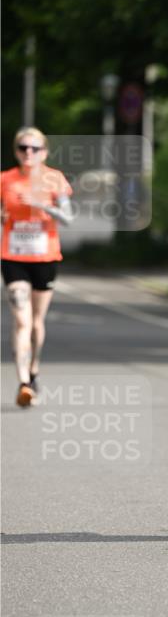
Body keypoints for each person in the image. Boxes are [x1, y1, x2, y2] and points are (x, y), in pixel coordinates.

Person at [1, 126, 73, 407]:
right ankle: (22, 382)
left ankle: (33, 371)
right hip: (13, 257)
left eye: (34, 148)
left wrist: (43, 206)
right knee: (21, 320)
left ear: (44, 152)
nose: (28, 153)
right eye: (23, 148)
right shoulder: (5, 179)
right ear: (16, 151)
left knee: (36, 323)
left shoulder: (55, 180)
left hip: (45, 259)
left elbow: (68, 218)